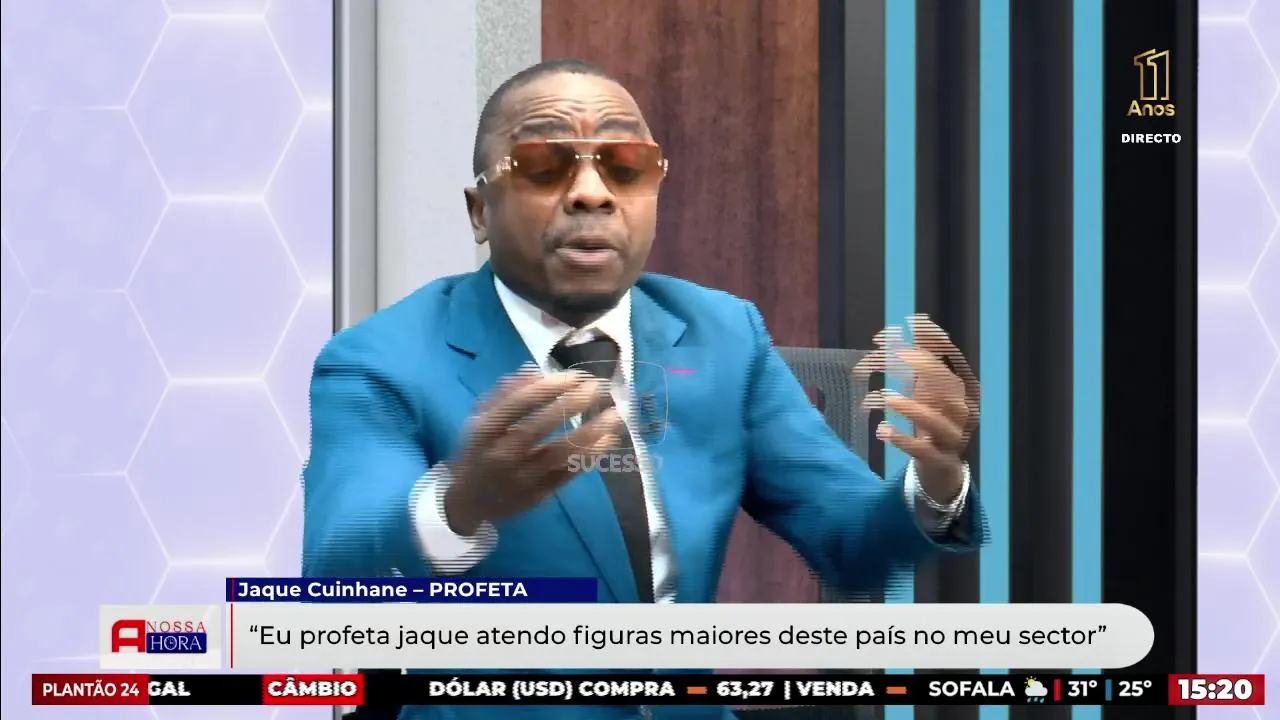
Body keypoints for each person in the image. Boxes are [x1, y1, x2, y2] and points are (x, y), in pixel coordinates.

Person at [304, 58, 986, 720]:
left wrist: (936, 483)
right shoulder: (379, 359)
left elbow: (852, 542)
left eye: (625, 165)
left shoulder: (724, 333)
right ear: (480, 211)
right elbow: (335, 574)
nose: (592, 193)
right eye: (544, 165)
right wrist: (460, 501)